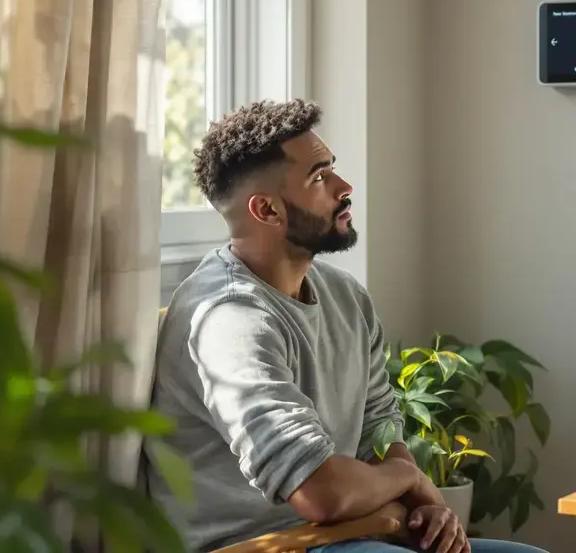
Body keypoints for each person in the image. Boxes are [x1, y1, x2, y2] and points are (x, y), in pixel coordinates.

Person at [148, 99, 548, 553]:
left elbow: (379, 427)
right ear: (267, 210)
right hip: (261, 545)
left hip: (350, 534)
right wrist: (409, 476)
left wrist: (425, 505)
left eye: (332, 169)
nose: (344, 186)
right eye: (319, 177)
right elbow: (321, 493)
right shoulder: (230, 320)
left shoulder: (344, 295)